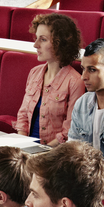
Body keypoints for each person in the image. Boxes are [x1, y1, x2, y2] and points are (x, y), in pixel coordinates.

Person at [14, 13, 85, 146]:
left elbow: (68, 132)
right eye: (36, 38)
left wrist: (40, 152)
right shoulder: (34, 73)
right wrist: (22, 146)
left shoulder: (75, 81)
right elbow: (23, 116)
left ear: (61, 43)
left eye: (43, 39)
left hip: (52, 152)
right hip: (25, 147)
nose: (35, 45)